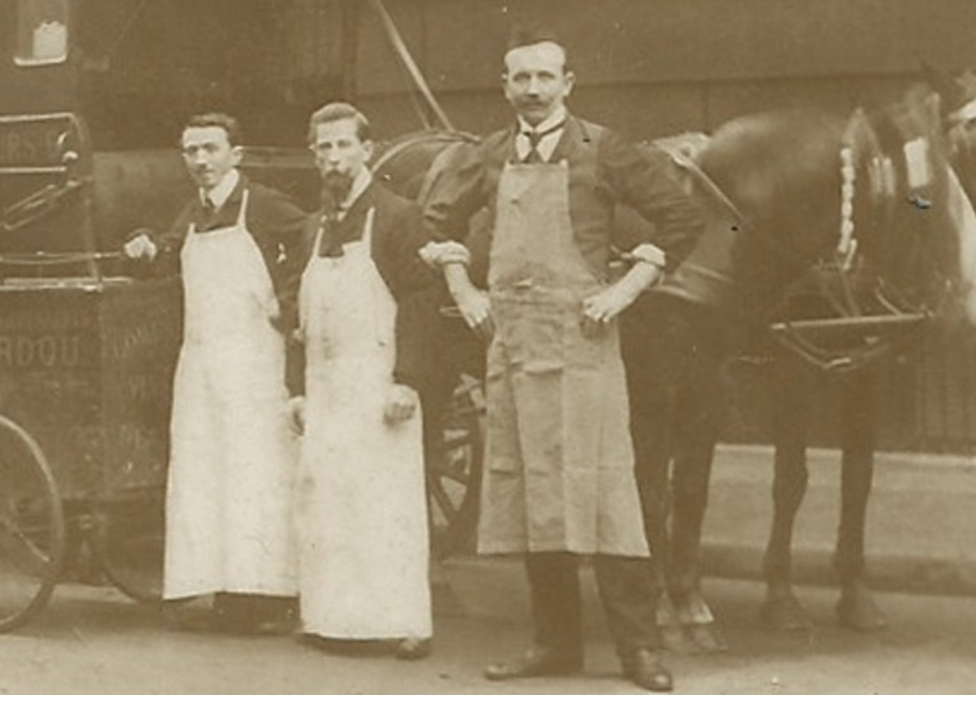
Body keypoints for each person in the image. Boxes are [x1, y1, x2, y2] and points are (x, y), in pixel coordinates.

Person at [420, 37, 705, 692]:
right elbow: (433, 221)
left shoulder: (604, 149)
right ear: (504, 85)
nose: (532, 88)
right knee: (533, 494)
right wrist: (464, 290)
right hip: (515, 348)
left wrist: (625, 288)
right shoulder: (488, 154)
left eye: (544, 76)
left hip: (583, 345)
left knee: (606, 492)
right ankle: (554, 642)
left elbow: (681, 218)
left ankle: (638, 647)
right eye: (520, 76)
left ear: (567, 82)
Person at [123, 112, 307, 633]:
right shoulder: (195, 211)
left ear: (236, 155)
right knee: (210, 474)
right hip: (202, 364)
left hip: (254, 363)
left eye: (210, 149)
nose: (200, 161)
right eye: (191, 151)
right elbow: (169, 249)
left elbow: (312, 240)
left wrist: (289, 304)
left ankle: (270, 596)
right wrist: (146, 245)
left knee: (259, 475)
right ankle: (226, 587)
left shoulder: (263, 204)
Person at [289, 102, 437, 660]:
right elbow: (297, 316)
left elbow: (422, 301)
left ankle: (404, 621)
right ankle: (329, 617)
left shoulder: (398, 216)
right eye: (323, 148)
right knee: (326, 499)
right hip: (325, 385)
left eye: (343, 145)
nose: (333, 157)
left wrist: (408, 380)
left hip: (378, 385)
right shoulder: (315, 225)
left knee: (386, 503)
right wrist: (296, 390)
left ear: (367, 149)